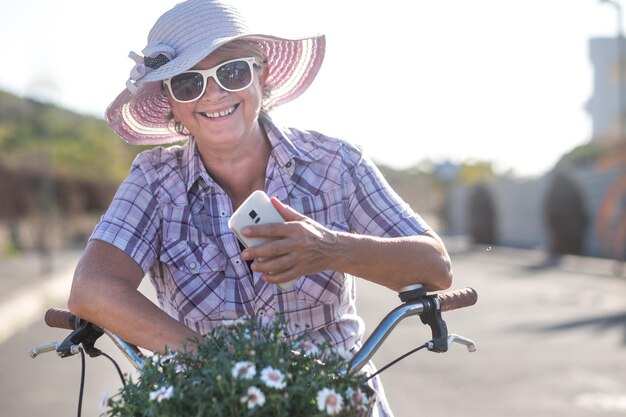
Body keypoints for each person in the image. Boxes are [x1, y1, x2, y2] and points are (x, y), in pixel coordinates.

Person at [67, 1, 453, 416]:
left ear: (261, 73)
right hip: (211, 401)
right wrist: (217, 360)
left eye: (231, 72)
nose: (213, 94)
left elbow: (435, 267)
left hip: (335, 398)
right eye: (187, 83)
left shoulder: (336, 163)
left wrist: (329, 248)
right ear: (171, 102)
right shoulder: (155, 180)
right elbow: (92, 288)